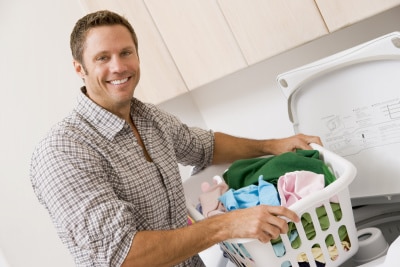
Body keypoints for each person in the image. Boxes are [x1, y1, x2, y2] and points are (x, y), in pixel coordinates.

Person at [30, 10, 322, 267]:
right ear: (79, 68)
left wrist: (274, 145)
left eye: (126, 52)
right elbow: (124, 256)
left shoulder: (149, 118)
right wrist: (226, 226)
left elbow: (205, 147)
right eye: (103, 58)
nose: (118, 67)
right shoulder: (63, 151)